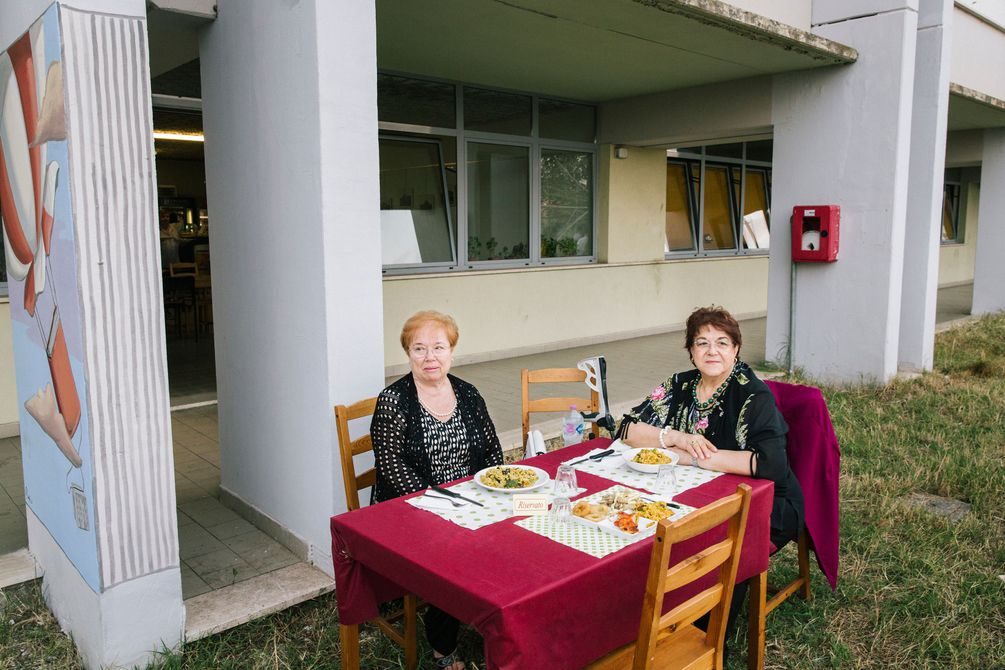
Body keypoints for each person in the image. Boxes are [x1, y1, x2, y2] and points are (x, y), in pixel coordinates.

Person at [616, 305, 804, 653]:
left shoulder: (752, 394)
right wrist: (673, 438)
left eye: (722, 342)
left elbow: (772, 465)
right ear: (691, 350)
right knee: (640, 522)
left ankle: (703, 640)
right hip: (693, 492)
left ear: (735, 349)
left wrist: (693, 458)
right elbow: (625, 428)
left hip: (770, 502)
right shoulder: (679, 384)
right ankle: (637, 622)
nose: (711, 351)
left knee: (717, 537)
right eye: (702, 343)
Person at [371, 310, 503, 670]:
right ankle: (444, 646)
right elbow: (392, 469)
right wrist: (446, 505)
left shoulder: (468, 393)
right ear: (408, 354)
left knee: (514, 529)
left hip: (471, 498)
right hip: (412, 508)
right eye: (419, 349)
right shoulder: (393, 401)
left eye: (439, 347)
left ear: (452, 352)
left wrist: (486, 492)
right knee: (452, 548)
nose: (430, 357)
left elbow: (492, 450)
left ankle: (491, 613)